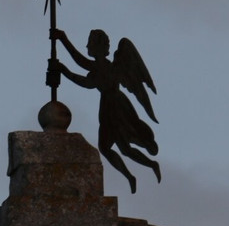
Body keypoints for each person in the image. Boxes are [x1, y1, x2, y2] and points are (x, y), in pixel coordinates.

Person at [50, 28, 160, 194]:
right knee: (108, 148)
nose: (87, 46)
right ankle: (132, 175)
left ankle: (148, 166)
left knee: (123, 148)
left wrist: (63, 46)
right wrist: (62, 47)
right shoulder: (99, 66)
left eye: (90, 43)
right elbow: (83, 69)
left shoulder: (104, 67)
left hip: (116, 108)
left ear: (97, 46)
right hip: (110, 107)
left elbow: (82, 71)